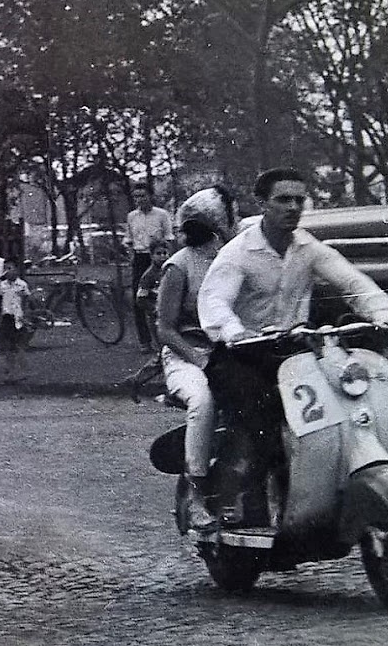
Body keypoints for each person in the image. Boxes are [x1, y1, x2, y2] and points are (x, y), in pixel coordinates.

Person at [197, 170, 388, 512]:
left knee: (345, 406)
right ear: (261, 204)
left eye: (299, 200)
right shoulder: (239, 252)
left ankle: (328, 487)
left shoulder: (308, 248)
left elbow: (352, 283)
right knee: (259, 422)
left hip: (293, 351)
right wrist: (234, 331)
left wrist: (383, 315)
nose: (293, 207)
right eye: (283, 199)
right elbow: (214, 300)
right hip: (242, 355)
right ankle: (245, 502)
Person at [147, 187, 237, 530]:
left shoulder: (233, 258)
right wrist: (197, 358)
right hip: (186, 355)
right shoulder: (178, 266)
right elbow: (165, 329)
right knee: (203, 400)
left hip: (229, 351)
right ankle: (197, 493)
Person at [126, 182, 175, 350]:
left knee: (162, 296)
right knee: (140, 298)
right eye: (136, 197)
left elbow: (169, 238)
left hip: (157, 258)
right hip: (140, 258)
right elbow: (129, 239)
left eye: (143, 196)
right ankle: (144, 341)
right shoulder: (132, 216)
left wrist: (164, 258)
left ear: (150, 196)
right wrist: (131, 254)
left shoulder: (162, 215)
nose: (139, 200)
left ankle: (165, 338)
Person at [0, 262, 32, 385]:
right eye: (5, 269)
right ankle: (10, 372)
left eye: (10, 268)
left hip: (18, 316)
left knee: (19, 345)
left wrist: (24, 315)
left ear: (16, 270)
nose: (8, 271)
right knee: (7, 346)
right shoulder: (2, 285)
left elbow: (26, 300)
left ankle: (22, 371)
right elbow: (0, 300)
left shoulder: (22, 284)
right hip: (7, 317)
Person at [132, 240, 172, 355]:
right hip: (156, 316)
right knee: (162, 345)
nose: (162, 257)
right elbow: (141, 299)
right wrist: (154, 309)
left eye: (165, 253)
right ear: (152, 256)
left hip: (171, 313)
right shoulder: (148, 276)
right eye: (158, 254)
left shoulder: (171, 271)